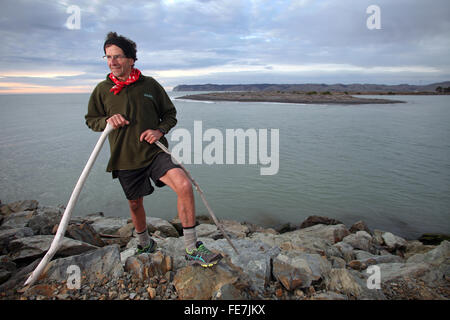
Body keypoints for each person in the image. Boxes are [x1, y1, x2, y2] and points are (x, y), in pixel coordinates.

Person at [85, 32, 222, 267]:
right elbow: (91, 119)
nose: (112, 62)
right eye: (108, 57)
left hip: (155, 153)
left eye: (117, 57)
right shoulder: (101, 89)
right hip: (125, 158)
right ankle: (145, 242)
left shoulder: (150, 85)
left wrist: (159, 131)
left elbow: (170, 114)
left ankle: (191, 247)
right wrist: (107, 121)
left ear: (131, 59)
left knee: (184, 184)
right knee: (135, 204)